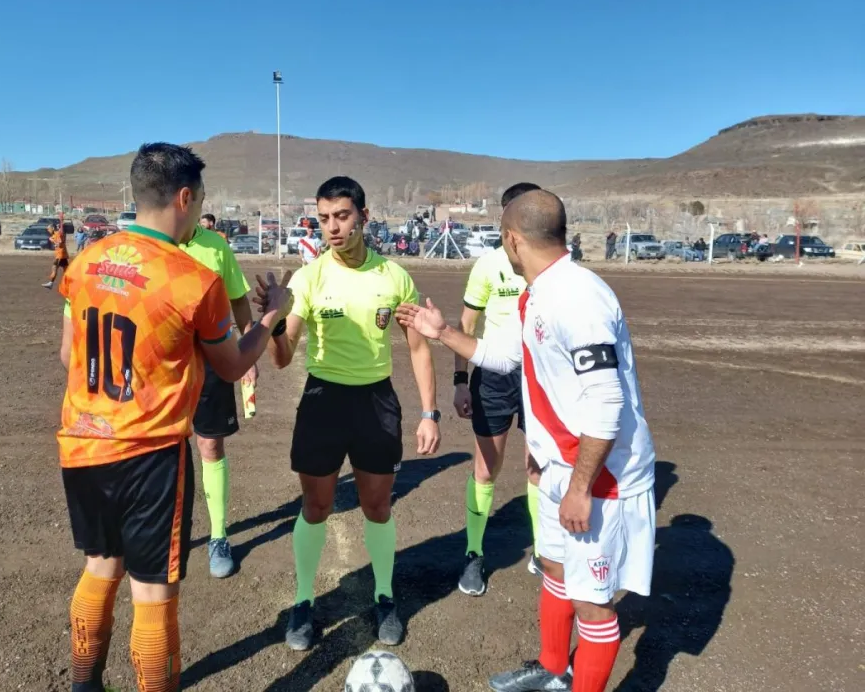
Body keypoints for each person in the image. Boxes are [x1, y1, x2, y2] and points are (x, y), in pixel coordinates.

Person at [397, 188, 656, 692]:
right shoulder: (538, 294)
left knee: (592, 602)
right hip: (565, 466)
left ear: (512, 239)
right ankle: (554, 670)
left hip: (601, 476)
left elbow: (607, 401)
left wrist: (581, 487)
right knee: (556, 568)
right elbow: (507, 357)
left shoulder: (579, 297)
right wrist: (444, 332)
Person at [56, 142, 292, 692]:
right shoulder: (192, 278)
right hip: (150, 457)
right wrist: (273, 313)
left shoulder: (87, 260)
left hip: (82, 443)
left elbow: (69, 356)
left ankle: (85, 683)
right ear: (185, 198)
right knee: (153, 592)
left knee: (100, 566)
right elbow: (232, 366)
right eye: (201, 199)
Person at [256, 175, 441, 651]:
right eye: (323, 219)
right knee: (316, 507)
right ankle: (303, 602)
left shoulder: (395, 277)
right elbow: (281, 356)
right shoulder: (310, 276)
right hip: (323, 403)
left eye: (341, 216)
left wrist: (429, 413)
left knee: (377, 507)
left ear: (363, 216)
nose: (332, 228)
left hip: (376, 404)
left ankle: (383, 596)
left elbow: (418, 349)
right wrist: (275, 322)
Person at [453, 182, 543, 598]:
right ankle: (474, 553)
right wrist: (459, 382)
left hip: (542, 375)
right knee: (486, 467)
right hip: (493, 374)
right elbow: (466, 328)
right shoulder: (488, 265)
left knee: (538, 467)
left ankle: (544, 550)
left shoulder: (553, 265)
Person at [181, 221, 259, 578]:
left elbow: (240, 302)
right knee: (160, 447)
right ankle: (168, 533)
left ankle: (218, 535)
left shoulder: (215, 246)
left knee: (210, 445)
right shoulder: (144, 245)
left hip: (211, 359)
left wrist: (248, 359)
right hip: (160, 361)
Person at [43, 220, 69, 289]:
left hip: (60, 255)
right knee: (66, 270)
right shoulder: (55, 235)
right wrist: (52, 239)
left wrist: (55, 242)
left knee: (54, 267)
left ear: (53, 228)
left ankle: (51, 283)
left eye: (48, 229)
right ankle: (69, 283)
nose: (48, 230)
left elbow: (60, 243)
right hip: (62, 255)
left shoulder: (57, 234)